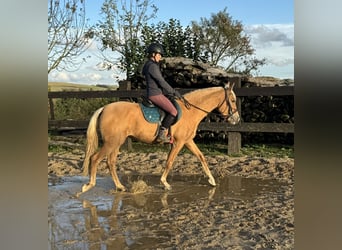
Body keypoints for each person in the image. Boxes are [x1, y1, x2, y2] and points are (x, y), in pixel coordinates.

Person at [142, 42, 182, 143]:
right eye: (159, 55)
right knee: (173, 111)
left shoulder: (149, 65)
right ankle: (161, 134)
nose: (160, 57)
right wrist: (173, 92)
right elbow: (161, 81)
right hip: (155, 94)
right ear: (153, 54)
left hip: (155, 92)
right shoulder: (152, 66)